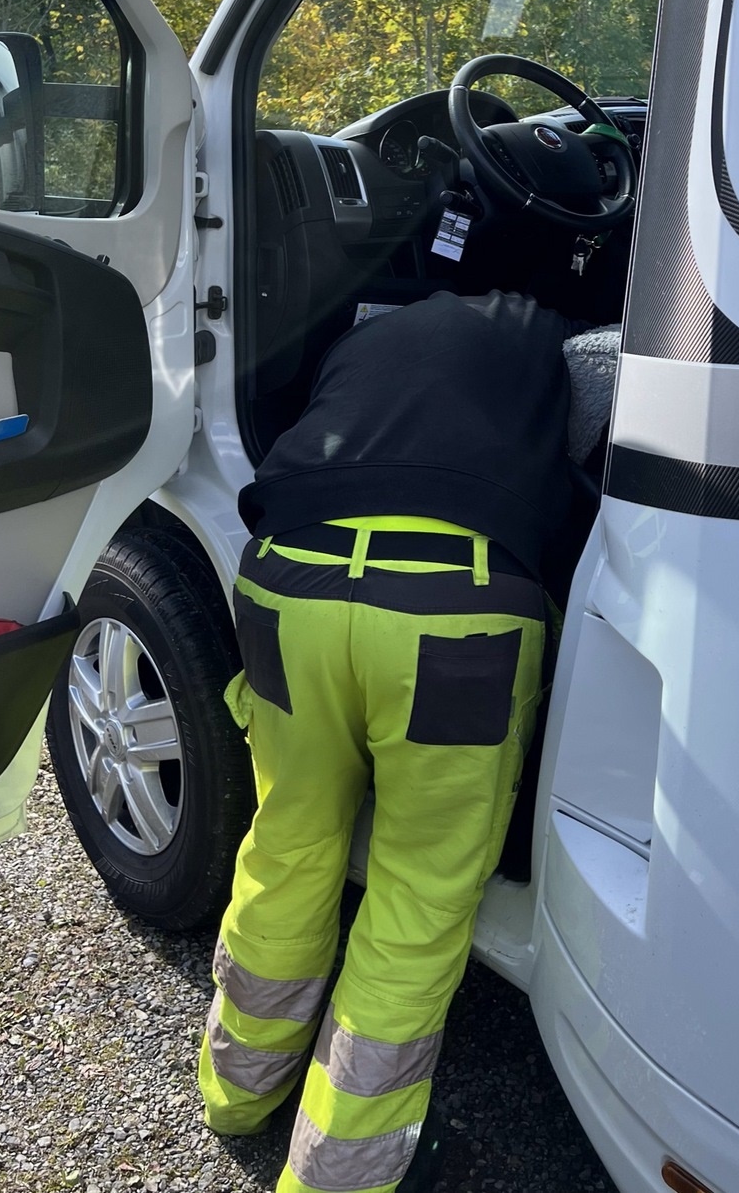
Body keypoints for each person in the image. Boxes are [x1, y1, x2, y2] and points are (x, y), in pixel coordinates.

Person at [197, 290, 618, 1193]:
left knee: (289, 840)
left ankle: (236, 1093)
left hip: (288, 579)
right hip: (455, 609)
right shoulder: (568, 347)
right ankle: (337, 1175)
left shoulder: (373, 327)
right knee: (417, 897)